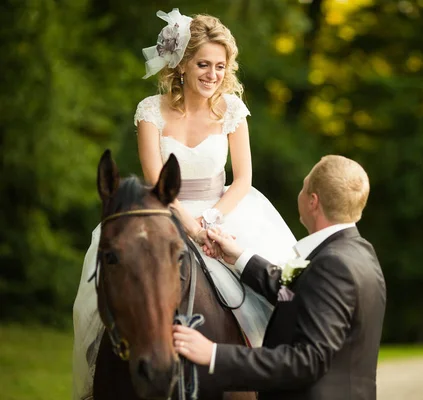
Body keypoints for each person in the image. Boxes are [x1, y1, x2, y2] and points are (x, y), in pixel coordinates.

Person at [72, 9, 297, 400]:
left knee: (276, 296)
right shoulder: (150, 111)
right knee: (94, 295)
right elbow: (158, 181)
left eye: (220, 66)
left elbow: (242, 179)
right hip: (160, 212)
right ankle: (96, 381)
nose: (212, 74)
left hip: (226, 211)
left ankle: (265, 381)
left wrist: (211, 220)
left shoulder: (232, 111)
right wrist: (189, 226)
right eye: (203, 64)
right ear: (182, 65)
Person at [173, 155, 387, 400]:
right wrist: (238, 256)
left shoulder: (331, 264)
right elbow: (290, 289)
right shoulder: (356, 253)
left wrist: (213, 354)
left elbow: (306, 361)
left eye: (304, 187)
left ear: (312, 201)